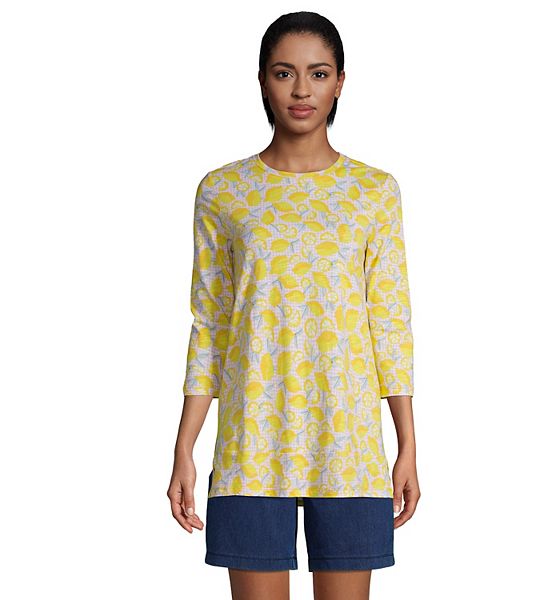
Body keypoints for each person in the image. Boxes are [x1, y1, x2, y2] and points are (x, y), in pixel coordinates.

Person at [167, 10, 420, 600]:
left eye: (318, 73)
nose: (302, 90)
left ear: (340, 82)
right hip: (251, 441)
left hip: (348, 442)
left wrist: (407, 443)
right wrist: (185, 445)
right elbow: (211, 326)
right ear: (262, 80)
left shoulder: (374, 192)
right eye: (285, 73)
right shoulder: (223, 191)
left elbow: (389, 321)